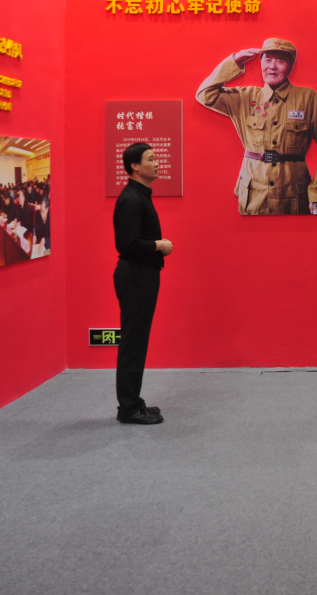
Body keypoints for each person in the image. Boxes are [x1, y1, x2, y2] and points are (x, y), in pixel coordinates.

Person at [195, 38, 317, 215]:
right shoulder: (245, 97)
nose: (272, 66)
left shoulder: (308, 98)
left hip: (293, 195)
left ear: (291, 67)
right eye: (268, 60)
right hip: (254, 194)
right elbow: (205, 94)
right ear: (261, 63)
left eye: (280, 61)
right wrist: (234, 62)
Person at [112, 143, 174, 425]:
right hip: (136, 275)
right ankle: (128, 408)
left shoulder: (139, 195)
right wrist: (158, 245)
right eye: (151, 159)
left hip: (142, 274)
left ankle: (133, 402)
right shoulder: (132, 199)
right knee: (133, 341)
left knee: (137, 340)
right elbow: (127, 244)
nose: (157, 162)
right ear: (135, 166)